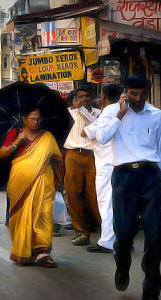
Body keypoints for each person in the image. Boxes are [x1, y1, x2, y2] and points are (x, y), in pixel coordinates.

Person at [96, 75, 161, 299]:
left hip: (150, 176)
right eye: (134, 94)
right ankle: (122, 265)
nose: (138, 99)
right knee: (123, 234)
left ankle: (151, 290)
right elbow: (102, 138)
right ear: (126, 92)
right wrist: (119, 115)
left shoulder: (156, 115)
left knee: (154, 235)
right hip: (123, 177)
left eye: (143, 94)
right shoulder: (111, 111)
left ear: (148, 93)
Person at [0, 107, 63, 268]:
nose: (36, 122)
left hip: (44, 180)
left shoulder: (47, 136)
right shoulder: (14, 134)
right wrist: (16, 143)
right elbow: (2, 154)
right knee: (21, 215)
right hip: (20, 181)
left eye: (38, 119)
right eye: (32, 119)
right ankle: (25, 251)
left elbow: (54, 159)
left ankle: (43, 252)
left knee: (44, 214)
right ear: (24, 119)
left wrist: (59, 177)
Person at [82, 83, 121, 253]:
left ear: (103, 96)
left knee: (106, 203)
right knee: (121, 204)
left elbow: (86, 133)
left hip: (106, 165)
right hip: (121, 164)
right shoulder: (124, 109)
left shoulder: (108, 112)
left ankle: (107, 241)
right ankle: (122, 238)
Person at [63, 85, 101, 246]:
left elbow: (96, 128)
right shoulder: (69, 114)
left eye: (87, 96)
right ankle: (81, 232)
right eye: (81, 97)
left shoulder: (99, 114)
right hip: (72, 155)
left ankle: (106, 231)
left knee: (96, 195)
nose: (84, 99)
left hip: (93, 156)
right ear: (76, 99)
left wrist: (84, 111)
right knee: (73, 194)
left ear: (92, 97)